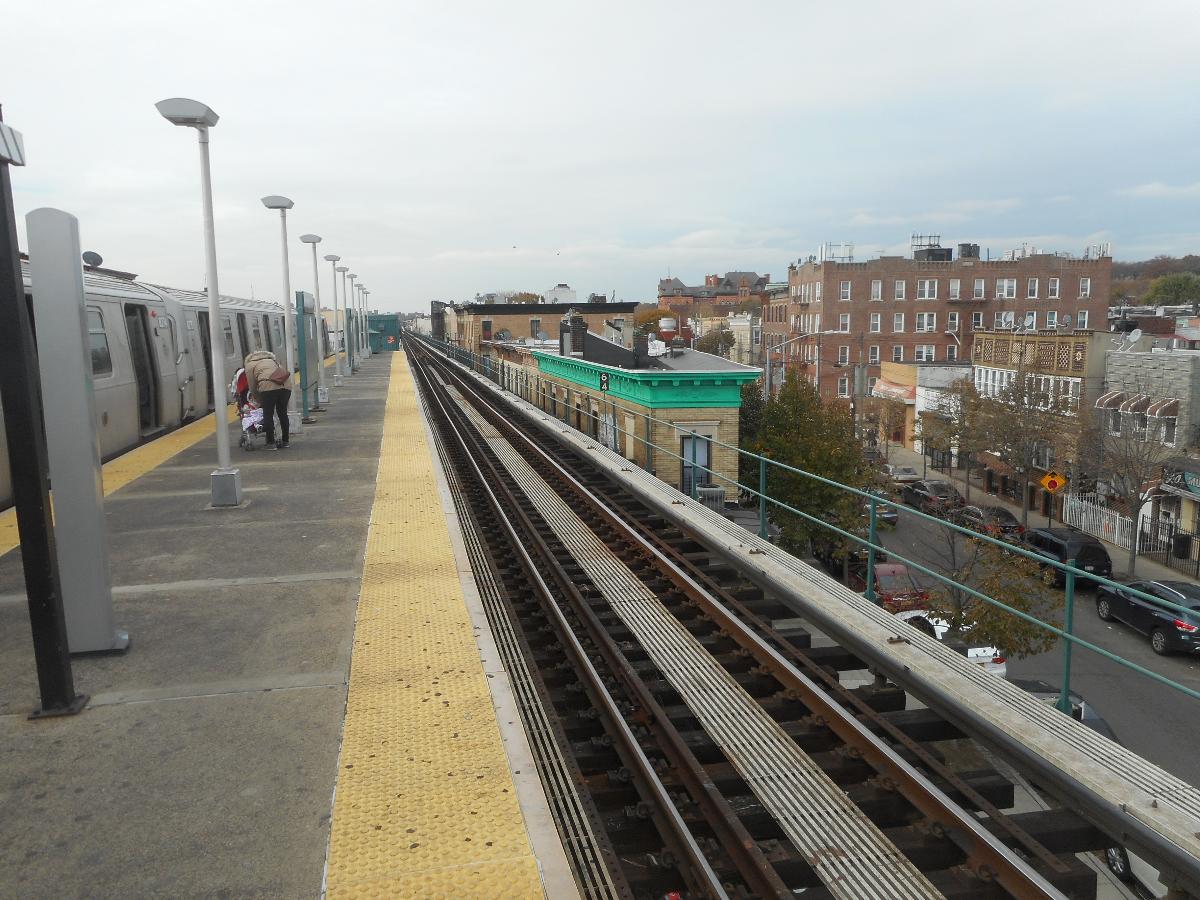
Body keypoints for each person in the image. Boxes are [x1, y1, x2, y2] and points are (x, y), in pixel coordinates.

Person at [243, 349, 291, 449]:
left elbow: (252, 386)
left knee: (267, 414)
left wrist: (258, 400)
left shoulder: (250, 364)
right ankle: (286, 441)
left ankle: (271, 443)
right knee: (282, 413)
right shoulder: (273, 360)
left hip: (268, 387)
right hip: (286, 386)